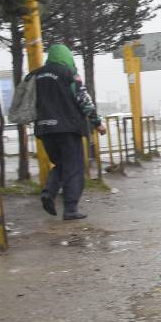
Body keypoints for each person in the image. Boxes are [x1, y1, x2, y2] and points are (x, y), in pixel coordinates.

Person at [30, 44, 104, 220]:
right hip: (68, 129)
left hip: (44, 129)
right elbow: (83, 100)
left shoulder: (36, 75)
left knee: (61, 164)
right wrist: (97, 122)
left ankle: (49, 192)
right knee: (74, 167)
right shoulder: (69, 74)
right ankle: (70, 209)